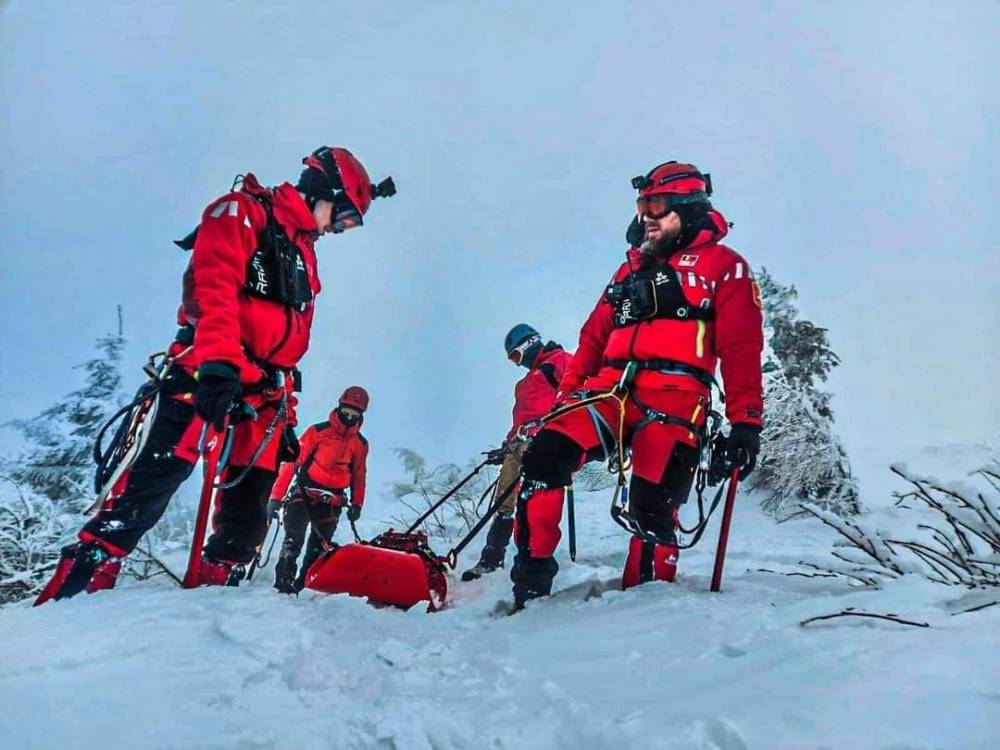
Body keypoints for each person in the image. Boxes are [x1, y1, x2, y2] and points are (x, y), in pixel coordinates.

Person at [35, 147, 394, 604]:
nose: (338, 230)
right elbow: (216, 286)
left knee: (249, 511)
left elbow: (287, 344)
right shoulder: (243, 212)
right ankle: (80, 586)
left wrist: (287, 414)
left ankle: (213, 603)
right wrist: (219, 364)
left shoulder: (304, 253)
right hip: (208, 369)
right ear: (324, 193)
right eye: (342, 218)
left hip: (264, 394)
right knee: (153, 482)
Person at [508, 161, 764, 610]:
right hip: (608, 392)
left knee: (653, 509)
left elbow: (742, 347)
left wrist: (746, 423)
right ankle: (529, 588)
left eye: (656, 204)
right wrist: (567, 397)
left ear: (688, 207)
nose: (646, 214)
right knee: (544, 457)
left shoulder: (725, 267)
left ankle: (643, 617)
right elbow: (591, 339)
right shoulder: (626, 272)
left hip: (677, 400)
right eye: (642, 204)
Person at [461, 325, 573, 581]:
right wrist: (506, 445)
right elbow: (520, 420)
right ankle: (491, 559)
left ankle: (532, 561)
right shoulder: (524, 383)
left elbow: (575, 393)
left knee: (532, 500)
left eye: (516, 357)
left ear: (529, 344)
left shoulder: (561, 361)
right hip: (519, 444)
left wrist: (555, 425)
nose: (516, 364)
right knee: (503, 500)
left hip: (545, 442)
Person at [270, 387, 370, 594]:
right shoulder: (317, 431)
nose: (349, 417)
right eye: (347, 411)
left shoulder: (360, 444)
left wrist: (357, 504)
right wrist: (276, 497)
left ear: (361, 415)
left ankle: (304, 583)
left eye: (355, 414)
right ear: (339, 406)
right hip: (304, 494)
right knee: (293, 538)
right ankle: (284, 582)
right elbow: (291, 463)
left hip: (332, 501)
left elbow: (359, 476)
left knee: (318, 548)